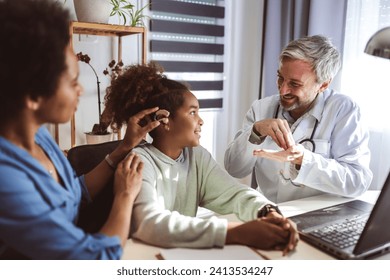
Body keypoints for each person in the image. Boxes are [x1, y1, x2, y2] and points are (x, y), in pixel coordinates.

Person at [0, 0, 161, 259]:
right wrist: (125, 196)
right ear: (32, 95)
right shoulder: (7, 179)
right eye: (73, 81)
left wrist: (124, 147)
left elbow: (75, 193)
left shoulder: (38, 135)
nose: (80, 90)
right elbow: (95, 260)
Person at [103, 62, 299, 254]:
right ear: (164, 120)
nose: (201, 120)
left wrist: (266, 211)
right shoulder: (139, 162)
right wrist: (235, 232)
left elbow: (234, 193)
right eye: (193, 112)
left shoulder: (197, 156)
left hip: (182, 255)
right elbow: (150, 224)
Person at [224, 35, 373, 203]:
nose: (282, 90)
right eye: (280, 78)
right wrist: (255, 133)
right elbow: (234, 169)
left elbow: (357, 182)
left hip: (318, 215)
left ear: (323, 85)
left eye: (295, 84)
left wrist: (303, 159)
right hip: (269, 212)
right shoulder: (261, 108)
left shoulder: (344, 110)